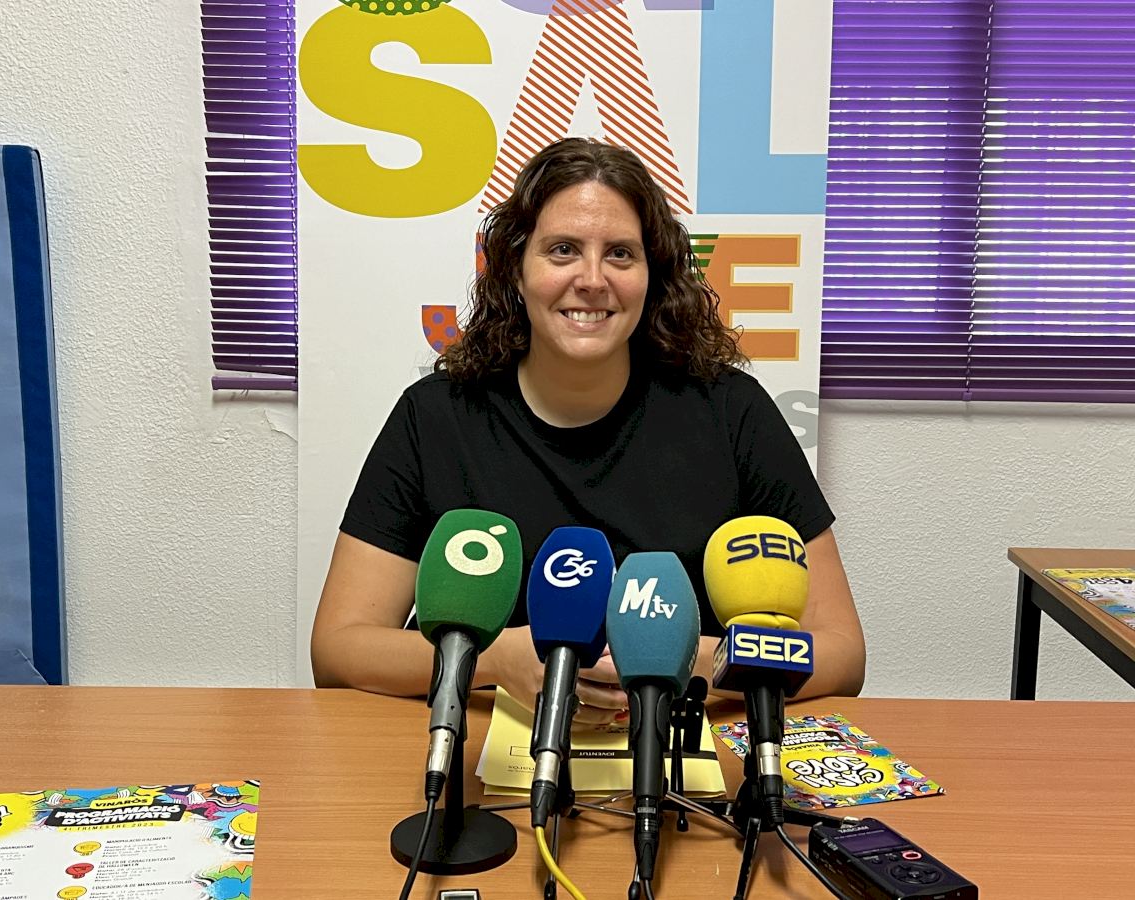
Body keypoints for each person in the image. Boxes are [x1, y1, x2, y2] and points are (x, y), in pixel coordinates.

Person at [312, 138, 865, 722]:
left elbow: (840, 652)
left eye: (621, 254)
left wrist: (684, 659)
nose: (593, 279)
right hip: (489, 750)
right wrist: (496, 661)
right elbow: (339, 648)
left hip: (677, 749)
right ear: (515, 271)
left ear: (652, 276)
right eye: (563, 250)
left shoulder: (732, 411)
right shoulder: (436, 416)